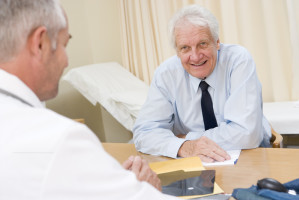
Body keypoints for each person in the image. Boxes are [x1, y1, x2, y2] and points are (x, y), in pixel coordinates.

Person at [0, 0, 178, 199]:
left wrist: (108, 181)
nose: (66, 60)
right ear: (40, 43)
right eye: (64, 45)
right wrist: (144, 192)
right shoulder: (59, 140)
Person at [133, 4, 271, 162]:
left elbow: (247, 134)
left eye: (202, 44)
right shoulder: (166, 74)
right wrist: (184, 146)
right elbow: (144, 133)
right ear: (177, 52)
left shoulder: (238, 60)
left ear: (217, 42)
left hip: (250, 157)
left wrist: (188, 139)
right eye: (185, 48)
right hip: (195, 166)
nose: (195, 56)